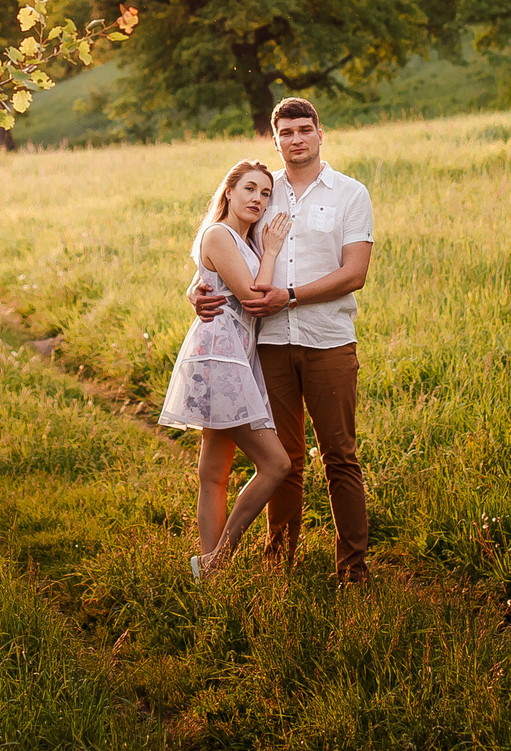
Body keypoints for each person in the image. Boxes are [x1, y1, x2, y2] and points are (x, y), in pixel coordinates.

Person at [191, 96, 374, 582]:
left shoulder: (350, 194)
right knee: (286, 460)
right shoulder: (262, 192)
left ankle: (352, 570)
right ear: (275, 140)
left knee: (340, 457)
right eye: (286, 133)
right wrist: (196, 289)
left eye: (304, 130)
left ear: (319, 133)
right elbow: (222, 250)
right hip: (266, 347)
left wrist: (289, 296)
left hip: (328, 339)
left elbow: (354, 274)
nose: (296, 140)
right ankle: (279, 566)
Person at [157, 158, 293, 577]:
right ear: (229, 192)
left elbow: (215, 282)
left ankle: (208, 577)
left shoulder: (242, 241)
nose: (258, 198)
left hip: (235, 354)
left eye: (266, 193)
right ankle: (217, 562)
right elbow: (254, 298)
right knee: (277, 464)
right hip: (220, 356)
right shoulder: (219, 234)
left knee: (213, 473)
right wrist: (271, 250)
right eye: (249, 188)